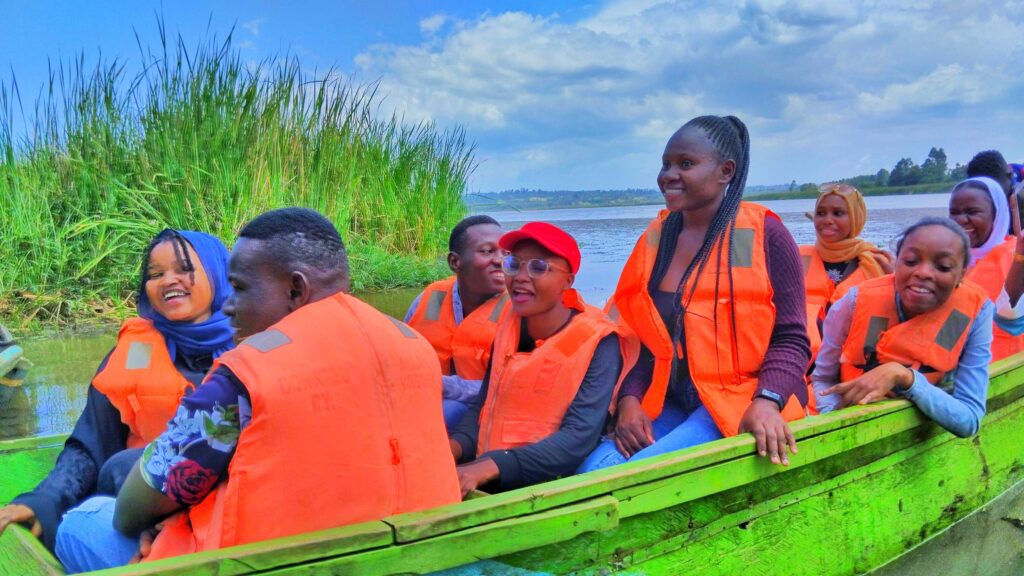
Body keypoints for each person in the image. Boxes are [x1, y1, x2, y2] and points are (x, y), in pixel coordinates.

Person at [55, 208, 460, 572]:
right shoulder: (413, 345)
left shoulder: (246, 372)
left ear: (295, 290)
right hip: (405, 555)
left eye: (241, 288)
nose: (229, 305)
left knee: (80, 522)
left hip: (268, 564)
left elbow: (130, 512)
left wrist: (163, 517)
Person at [579, 115, 812, 474]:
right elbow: (644, 336)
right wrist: (629, 399)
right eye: (666, 164)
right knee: (592, 471)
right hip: (671, 398)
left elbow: (792, 338)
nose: (668, 175)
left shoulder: (766, 233)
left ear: (725, 171)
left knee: (634, 478)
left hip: (743, 396)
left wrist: (768, 400)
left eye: (685, 164)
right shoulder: (657, 238)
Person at [0, 230, 233, 553]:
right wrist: (46, 499)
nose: (169, 281)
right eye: (155, 274)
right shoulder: (131, 354)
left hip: (225, 513)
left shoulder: (253, 350)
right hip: (138, 508)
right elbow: (89, 446)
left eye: (183, 269)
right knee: (121, 468)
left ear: (219, 273)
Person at [449, 222, 638, 496]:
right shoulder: (509, 324)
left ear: (568, 280)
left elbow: (577, 439)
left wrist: (487, 467)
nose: (521, 277)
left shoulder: (598, 340)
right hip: (495, 468)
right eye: (514, 264)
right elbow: (482, 408)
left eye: (538, 267)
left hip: (552, 479)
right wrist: (451, 451)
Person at [812, 217, 998, 438]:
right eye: (910, 261)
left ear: (961, 275)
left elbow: (970, 418)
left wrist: (905, 377)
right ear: (896, 263)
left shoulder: (973, 314)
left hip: (920, 433)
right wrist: (836, 419)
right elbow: (823, 378)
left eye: (943, 266)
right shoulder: (852, 303)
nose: (923, 273)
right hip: (854, 427)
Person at [405, 215, 508, 430]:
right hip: (422, 401)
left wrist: (444, 386)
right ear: (455, 262)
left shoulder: (518, 308)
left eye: (505, 253)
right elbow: (400, 358)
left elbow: (512, 388)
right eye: (487, 251)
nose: (500, 260)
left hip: (486, 414)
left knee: (447, 411)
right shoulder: (430, 298)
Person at [800, 183, 892, 358]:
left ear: (856, 218)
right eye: (821, 213)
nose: (827, 219)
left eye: (838, 213)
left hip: (850, 362)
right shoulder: (797, 258)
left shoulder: (878, 263)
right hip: (804, 359)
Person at [948, 177, 1024, 360]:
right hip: (949, 366)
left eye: (972, 212)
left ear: (996, 215)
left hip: (1003, 368)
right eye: (954, 212)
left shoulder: (1015, 256)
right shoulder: (946, 258)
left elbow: (1011, 319)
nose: (961, 220)